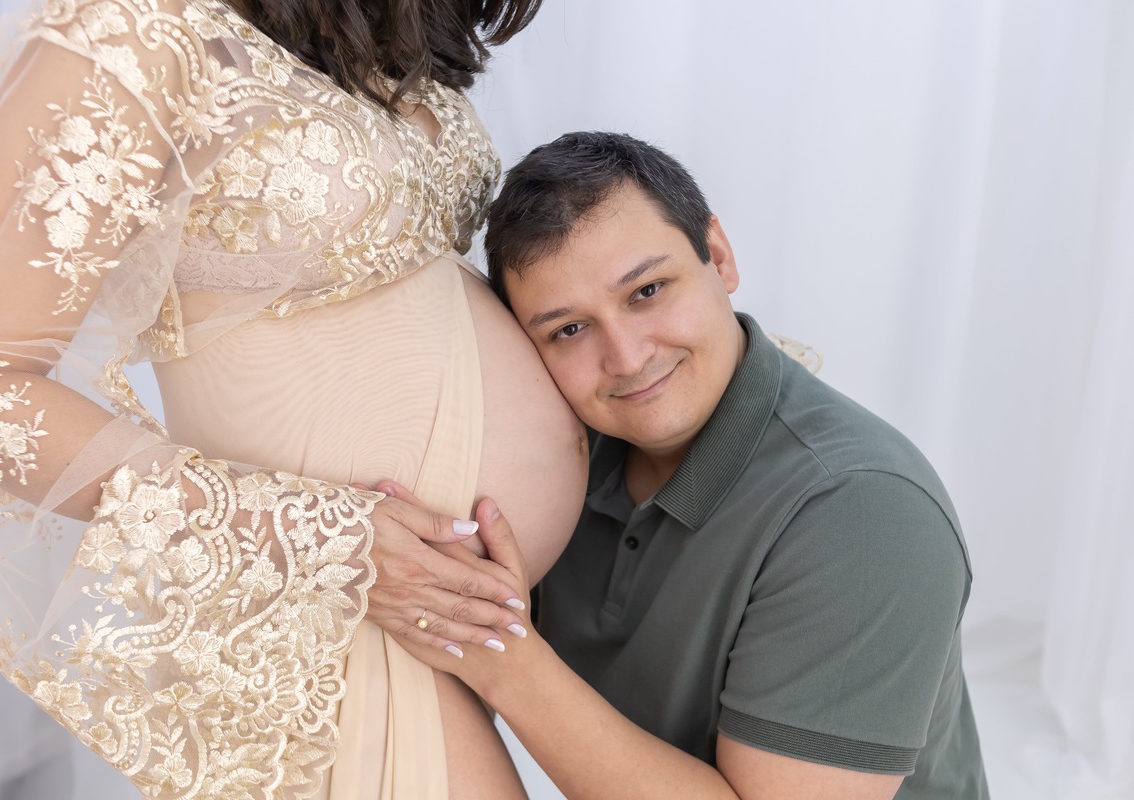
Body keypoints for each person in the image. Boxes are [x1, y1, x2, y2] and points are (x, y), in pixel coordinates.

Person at [0, 1, 585, 798]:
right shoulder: (132, 24)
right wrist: (322, 543)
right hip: (323, 623)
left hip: (450, 621)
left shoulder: (355, 18)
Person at [376, 131, 989, 799]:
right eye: (568, 330)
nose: (628, 356)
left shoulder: (867, 514)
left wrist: (502, 655)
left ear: (719, 258)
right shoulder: (554, 451)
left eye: (647, 291)